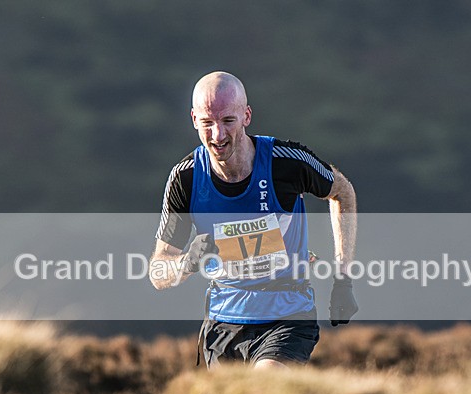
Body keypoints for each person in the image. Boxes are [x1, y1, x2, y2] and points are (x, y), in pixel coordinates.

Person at [150, 71, 357, 370]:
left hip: (286, 319)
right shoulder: (186, 177)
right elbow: (158, 273)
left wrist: (343, 279)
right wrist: (186, 263)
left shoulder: (286, 163)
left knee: (266, 382)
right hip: (222, 324)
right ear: (194, 120)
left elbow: (343, 192)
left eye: (228, 121)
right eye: (208, 123)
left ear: (247, 116)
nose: (218, 136)